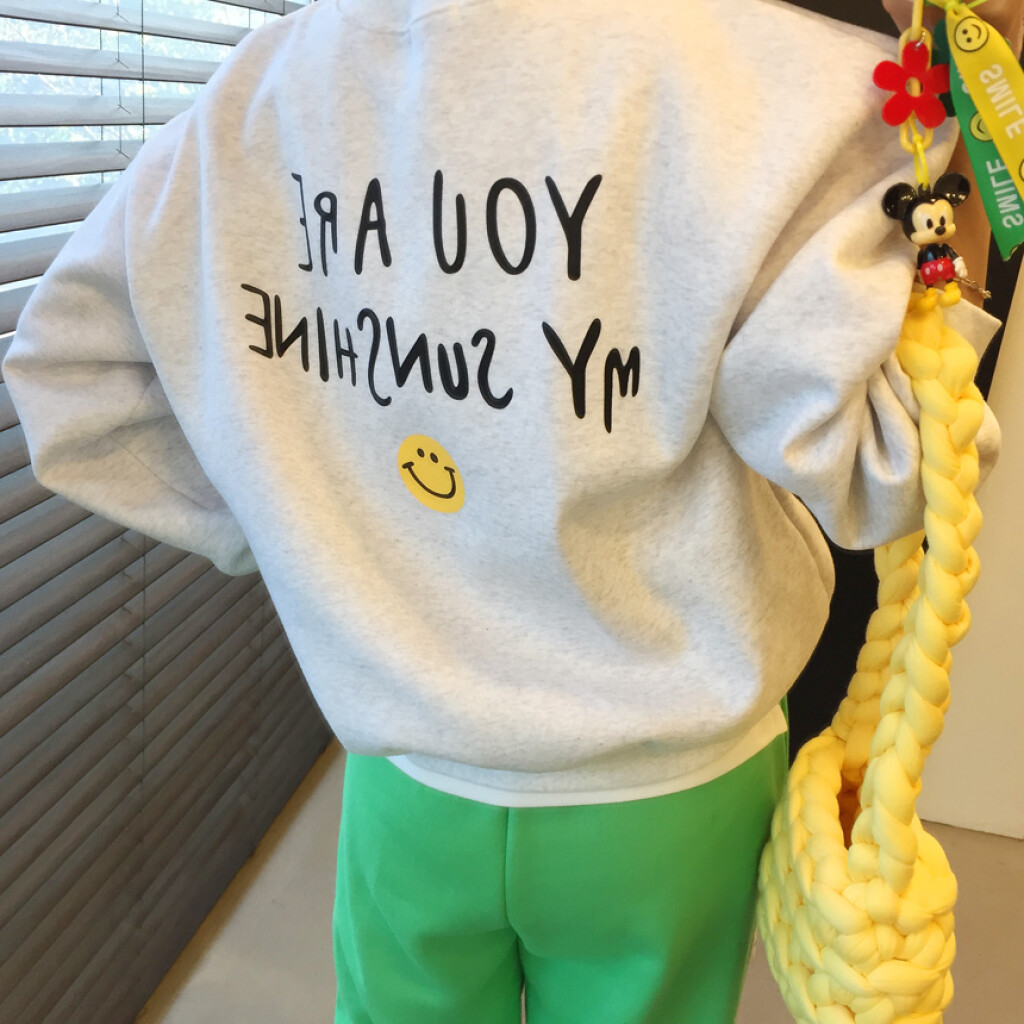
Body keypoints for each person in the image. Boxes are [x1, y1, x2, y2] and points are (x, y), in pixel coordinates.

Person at [2, 1, 1017, 1021]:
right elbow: (898, 472)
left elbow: (70, 375)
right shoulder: (767, 84)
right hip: (665, 789)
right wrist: (959, 168)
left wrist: (308, 528)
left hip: (411, 778)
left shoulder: (263, 93)